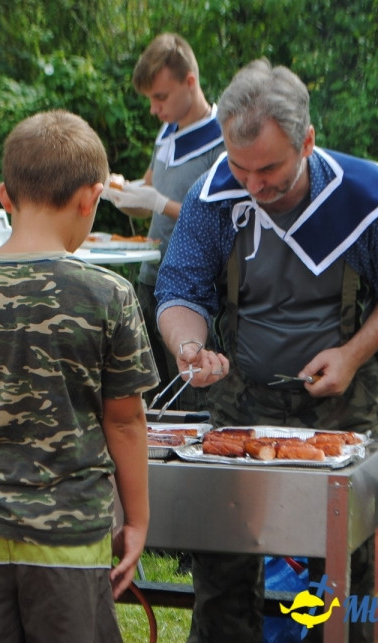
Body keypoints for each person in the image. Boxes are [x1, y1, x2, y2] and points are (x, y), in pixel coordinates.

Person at [154, 59, 378, 641]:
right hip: (239, 404)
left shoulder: (367, 198)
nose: (254, 185)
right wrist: (189, 347)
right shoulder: (214, 199)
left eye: (271, 170)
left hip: (341, 405)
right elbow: (179, 287)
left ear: (307, 141)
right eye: (241, 168)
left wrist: (354, 353)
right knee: (224, 561)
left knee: (346, 572)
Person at [0, 110, 158, 642]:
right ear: (91, 199)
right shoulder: (109, 295)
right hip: (68, 537)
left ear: (5, 196)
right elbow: (127, 423)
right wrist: (136, 522)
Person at [101, 33, 225, 410]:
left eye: (161, 96)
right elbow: (152, 192)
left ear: (190, 82)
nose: (154, 109)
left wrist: (158, 202)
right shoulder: (166, 132)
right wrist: (125, 196)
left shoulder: (223, 139)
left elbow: (217, 217)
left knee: (192, 394)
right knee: (149, 394)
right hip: (151, 278)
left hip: (194, 288)